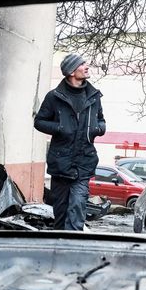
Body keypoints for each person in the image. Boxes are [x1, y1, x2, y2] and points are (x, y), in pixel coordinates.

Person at [34, 54, 106, 230]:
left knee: (77, 207)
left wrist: (98, 128)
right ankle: (59, 241)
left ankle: (72, 243)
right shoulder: (54, 97)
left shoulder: (94, 96)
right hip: (61, 163)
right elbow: (39, 122)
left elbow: (101, 120)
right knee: (61, 211)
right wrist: (60, 127)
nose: (86, 66)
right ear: (71, 72)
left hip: (84, 162)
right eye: (82, 64)